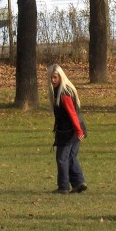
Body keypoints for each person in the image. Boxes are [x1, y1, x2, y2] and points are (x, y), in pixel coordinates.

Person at [47, 64, 88, 194]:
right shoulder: (66, 89)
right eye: (51, 78)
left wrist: (78, 131)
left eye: (55, 77)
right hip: (76, 129)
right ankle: (79, 182)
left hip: (70, 131)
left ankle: (63, 186)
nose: (52, 80)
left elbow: (72, 114)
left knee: (62, 158)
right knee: (71, 157)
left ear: (61, 77)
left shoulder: (63, 93)